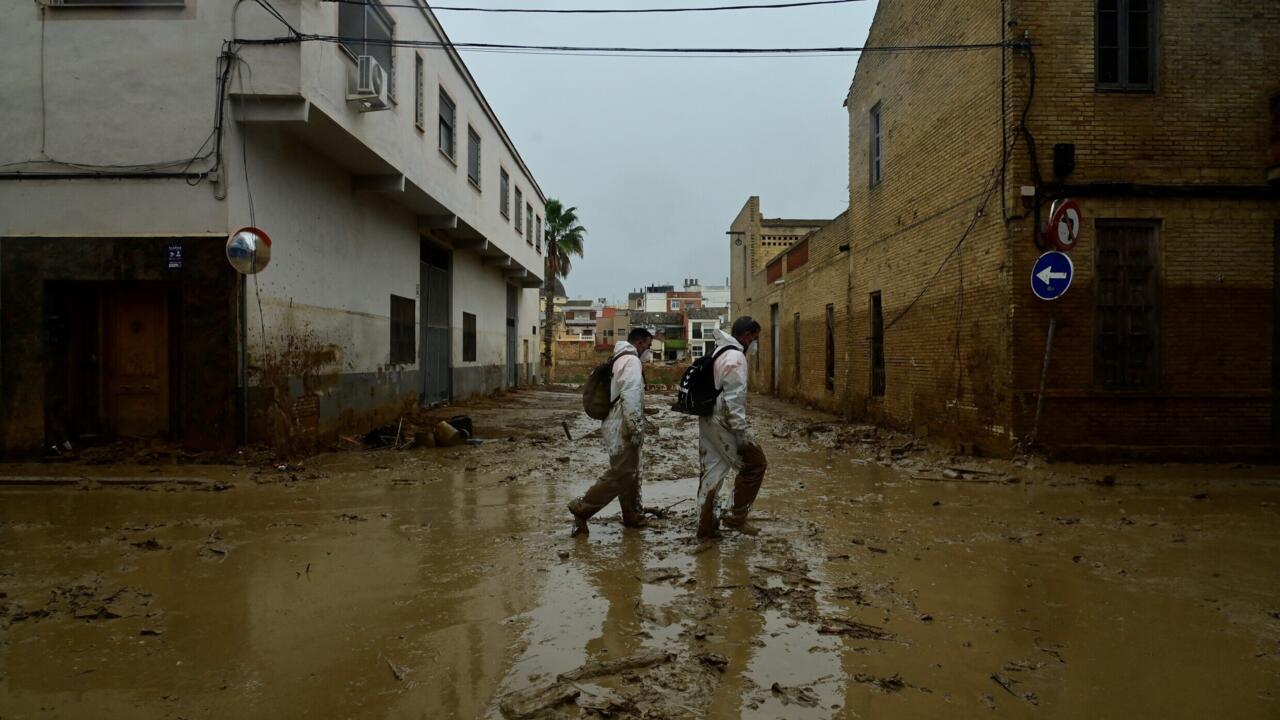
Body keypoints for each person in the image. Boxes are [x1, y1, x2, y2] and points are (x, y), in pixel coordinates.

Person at [568, 327, 655, 536]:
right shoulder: (632, 361)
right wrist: (634, 429)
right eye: (649, 346)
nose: (649, 351)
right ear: (641, 343)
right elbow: (631, 395)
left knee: (629, 472)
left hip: (615, 422)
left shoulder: (619, 358)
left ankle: (632, 515)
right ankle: (583, 508)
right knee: (622, 473)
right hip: (622, 425)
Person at [697, 317, 767, 539]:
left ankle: (706, 527)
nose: (755, 343)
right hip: (723, 420)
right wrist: (740, 434)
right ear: (746, 336)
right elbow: (734, 398)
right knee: (755, 464)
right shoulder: (736, 357)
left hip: (708, 418)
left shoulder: (720, 351)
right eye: (755, 338)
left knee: (712, 471)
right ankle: (735, 516)